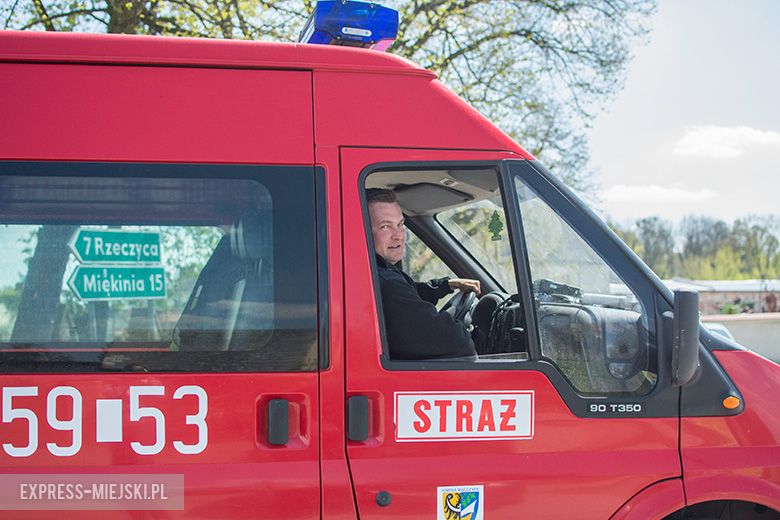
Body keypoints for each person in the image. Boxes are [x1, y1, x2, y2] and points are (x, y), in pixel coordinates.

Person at [367, 188, 480, 360]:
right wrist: (463, 329)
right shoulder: (385, 283)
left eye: (400, 225)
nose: (398, 236)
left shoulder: (377, 273)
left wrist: (446, 285)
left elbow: (409, 293)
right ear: (363, 232)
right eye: (385, 227)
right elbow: (457, 342)